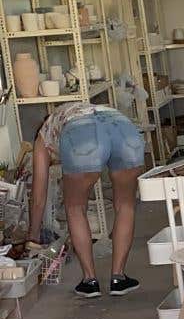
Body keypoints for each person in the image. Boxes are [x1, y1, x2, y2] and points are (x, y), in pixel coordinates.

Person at [27, 102, 145, 298]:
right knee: (126, 205)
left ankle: (89, 281)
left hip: (83, 134)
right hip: (124, 128)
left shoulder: (43, 137)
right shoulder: (67, 114)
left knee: (75, 208)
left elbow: (39, 197)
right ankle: (119, 278)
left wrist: (32, 237)